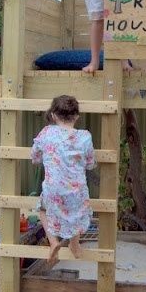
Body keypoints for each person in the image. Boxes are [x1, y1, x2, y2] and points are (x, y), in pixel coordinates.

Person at [31, 95, 95, 264]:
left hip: (54, 189)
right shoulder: (85, 137)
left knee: (43, 209)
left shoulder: (46, 132)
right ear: (76, 117)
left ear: (53, 115)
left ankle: (53, 241)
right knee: (75, 214)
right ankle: (74, 243)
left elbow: (35, 156)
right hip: (76, 190)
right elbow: (90, 163)